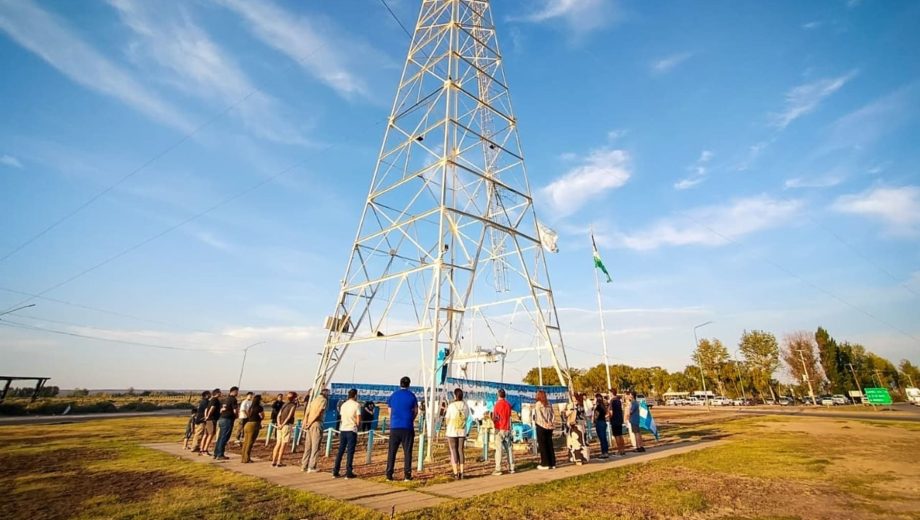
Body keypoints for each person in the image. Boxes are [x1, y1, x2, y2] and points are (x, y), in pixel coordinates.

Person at [385, 376, 419, 481]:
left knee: (392, 452)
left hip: (395, 427)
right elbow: (416, 411)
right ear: (409, 384)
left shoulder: (393, 396)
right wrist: (410, 419)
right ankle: (407, 475)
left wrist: (394, 421)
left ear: (400, 384)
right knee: (407, 452)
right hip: (407, 427)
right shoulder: (412, 396)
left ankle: (389, 474)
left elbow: (390, 411)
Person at [333, 388, 362, 479]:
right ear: (355, 395)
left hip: (343, 429)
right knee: (350, 451)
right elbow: (358, 418)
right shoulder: (357, 405)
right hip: (351, 429)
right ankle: (348, 471)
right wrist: (358, 426)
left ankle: (335, 470)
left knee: (341, 450)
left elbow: (341, 417)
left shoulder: (343, 405)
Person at [301, 388, 329, 473]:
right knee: (315, 446)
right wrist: (311, 422)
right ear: (326, 394)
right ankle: (312, 466)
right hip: (316, 423)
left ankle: (304, 465)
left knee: (308, 446)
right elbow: (319, 412)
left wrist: (306, 422)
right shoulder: (323, 400)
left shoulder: (313, 400)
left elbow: (307, 412)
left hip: (309, 423)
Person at [444, 387, 469, 480]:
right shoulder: (465, 405)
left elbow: (447, 419)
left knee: (453, 450)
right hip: (462, 431)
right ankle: (462, 472)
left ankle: (455, 472)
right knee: (461, 450)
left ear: (455, 395)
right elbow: (467, 417)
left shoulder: (451, 406)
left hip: (452, 431)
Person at [492, 388, 514, 475]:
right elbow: (509, 416)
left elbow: (495, 417)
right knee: (509, 449)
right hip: (507, 428)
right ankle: (511, 467)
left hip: (499, 428)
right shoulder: (508, 404)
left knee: (498, 449)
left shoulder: (497, 405)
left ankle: (498, 468)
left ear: (498, 395)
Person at [272, 392, 298, 467]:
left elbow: (279, 415)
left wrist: (279, 424)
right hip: (286, 425)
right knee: (283, 444)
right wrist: (283, 424)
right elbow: (289, 416)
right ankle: (279, 461)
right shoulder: (292, 406)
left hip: (279, 425)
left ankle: (273, 461)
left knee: (278, 443)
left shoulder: (284, 404)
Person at [214, 386, 239, 460]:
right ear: (234, 392)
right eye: (237, 392)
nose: (237, 393)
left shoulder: (224, 399)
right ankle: (220, 454)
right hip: (228, 419)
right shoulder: (233, 399)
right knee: (224, 437)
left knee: (220, 437)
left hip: (221, 418)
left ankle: (216, 453)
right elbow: (235, 410)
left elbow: (221, 409)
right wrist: (237, 415)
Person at [534, 389, 556, 470]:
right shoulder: (549, 403)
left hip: (541, 426)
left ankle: (545, 463)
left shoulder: (538, 404)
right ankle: (552, 462)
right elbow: (553, 414)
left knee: (543, 445)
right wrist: (551, 422)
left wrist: (545, 423)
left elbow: (539, 416)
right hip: (550, 426)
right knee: (550, 444)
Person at [240, 395, 264, 463]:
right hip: (254, 424)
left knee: (245, 442)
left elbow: (248, 414)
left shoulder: (251, 407)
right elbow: (262, 416)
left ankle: (243, 457)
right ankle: (247, 458)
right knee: (250, 442)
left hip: (247, 424)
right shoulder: (259, 407)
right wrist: (261, 418)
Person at [199, 388, 221, 456]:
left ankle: (201, 449)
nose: (221, 393)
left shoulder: (210, 400)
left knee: (206, 434)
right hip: (212, 419)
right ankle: (205, 450)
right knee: (210, 434)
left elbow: (206, 409)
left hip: (208, 419)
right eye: (220, 392)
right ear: (217, 393)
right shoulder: (215, 400)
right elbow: (212, 408)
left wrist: (206, 417)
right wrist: (208, 416)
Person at [608, 389, 627, 456]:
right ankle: (623, 449)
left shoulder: (612, 401)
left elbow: (611, 412)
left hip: (614, 420)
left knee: (617, 436)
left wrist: (608, 417)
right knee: (620, 435)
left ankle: (619, 450)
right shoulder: (619, 400)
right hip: (619, 419)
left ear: (612, 393)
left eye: (609, 393)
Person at [593, 393, 609, 459]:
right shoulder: (602, 406)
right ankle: (605, 451)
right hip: (602, 422)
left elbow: (596, 415)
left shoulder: (599, 407)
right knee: (603, 438)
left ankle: (604, 452)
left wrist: (594, 420)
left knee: (602, 438)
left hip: (600, 423)